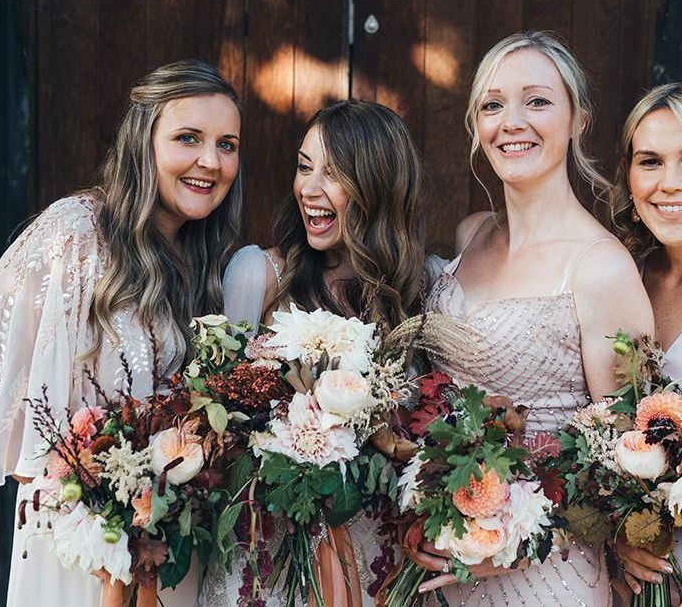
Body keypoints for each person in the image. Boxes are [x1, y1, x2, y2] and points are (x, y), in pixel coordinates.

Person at [0, 59, 243, 607]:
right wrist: (94, 490)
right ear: (143, 141)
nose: (211, 161)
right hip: (82, 556)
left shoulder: (208, 263)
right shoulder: (75, 236)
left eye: (227, 144)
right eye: (188, 138)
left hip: (173, 556)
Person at [417, 31, 654, 606]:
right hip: (447, 562)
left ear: (579, 120)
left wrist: (512, 539)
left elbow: (628, 462)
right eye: (493, 105)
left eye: (537, 101)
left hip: (546, 573)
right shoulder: (470, 235)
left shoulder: (600, 268)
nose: (511, 121)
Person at [217, 98, 444, 605]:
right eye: (304, 166)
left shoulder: (425, 288)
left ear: (378, 188)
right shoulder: (259, 276)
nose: (308, 189)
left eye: (334, 173)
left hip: (385, 562)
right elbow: (223, 415)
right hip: (278, 561)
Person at [610, 82, 682, 603]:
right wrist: (618, 534)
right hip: (635, 573)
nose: (670, 184)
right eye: (650, 161)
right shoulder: (619, 278)